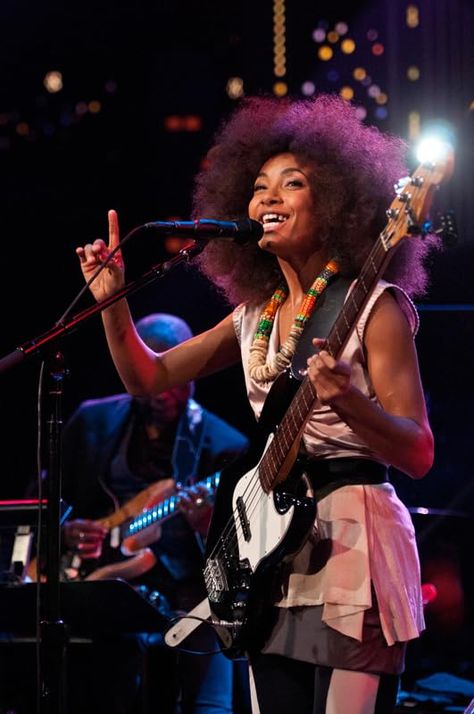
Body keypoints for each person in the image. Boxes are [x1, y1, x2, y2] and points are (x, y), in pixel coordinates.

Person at [75, 94, 440, 714]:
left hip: (353, 543)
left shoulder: (376, 308)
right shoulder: (253, 317)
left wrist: (352, 405)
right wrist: (112, 302)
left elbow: (420, 451)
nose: (267, 198)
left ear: (335, 202)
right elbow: (148, 377)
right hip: (268, 550)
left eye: (291, 184)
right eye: (258, 187)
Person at [50, 312, 250, 714]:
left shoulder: (225, 446)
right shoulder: (93, 420)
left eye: (174, 368)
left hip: (184, 599)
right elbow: (45, 494)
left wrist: (205, 527)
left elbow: (238, 555)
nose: (165, 390)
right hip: (96, 595)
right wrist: (64, 531)